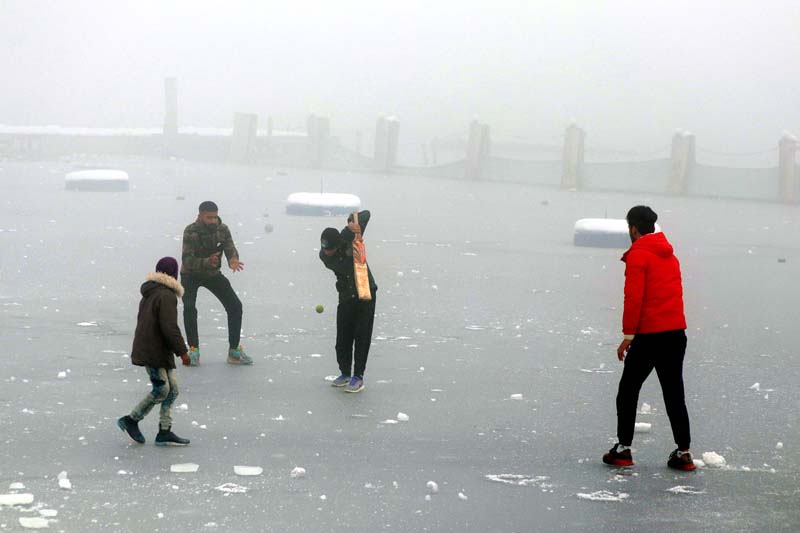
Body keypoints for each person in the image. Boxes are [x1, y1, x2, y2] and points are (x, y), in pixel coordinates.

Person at [603, 206, 695, 471]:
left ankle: (623, 450)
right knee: (674, 394)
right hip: (676, 334)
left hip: (649, 337)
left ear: (633, 228)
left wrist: (628, 336)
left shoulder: (638, 256)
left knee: (628, 391)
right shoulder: (670, 255)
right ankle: (684, 453)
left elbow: (634, 298)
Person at [117, 257, 190, 446]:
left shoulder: (151, 292)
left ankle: (164, 431)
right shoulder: (166, 295)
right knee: (162, 390)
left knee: (172, 390)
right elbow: (169, 327)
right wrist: (182, 352)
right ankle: (131, 420)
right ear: (173, 274)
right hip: (153, 350)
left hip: (156, 349)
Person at [181, 201, 251, 365]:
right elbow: (187, 260)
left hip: (212, 274)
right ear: (200, 216)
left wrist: (233, 260)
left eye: (215, 217)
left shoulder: (222, 229)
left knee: (235, 306)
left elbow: (230, 247)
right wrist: (206, 261)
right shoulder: (190, 231)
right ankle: (193, 351)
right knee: (189, 308)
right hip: (190, 275)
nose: (213, 220)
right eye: (209, 217)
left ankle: (234, 351)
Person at [319, 210, 378, 393]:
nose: (327, 252)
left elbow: (366, 214)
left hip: (365, 293)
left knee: (362, 336)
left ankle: (358, 376)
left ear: (337, 245)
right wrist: (349, 231)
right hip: (346, 295)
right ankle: (344, 373)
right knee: (342, 338)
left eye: (330, 248)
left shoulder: (350, 239)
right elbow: (333, 254)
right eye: (325, 248)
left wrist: (353, 224)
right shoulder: (325, 257)